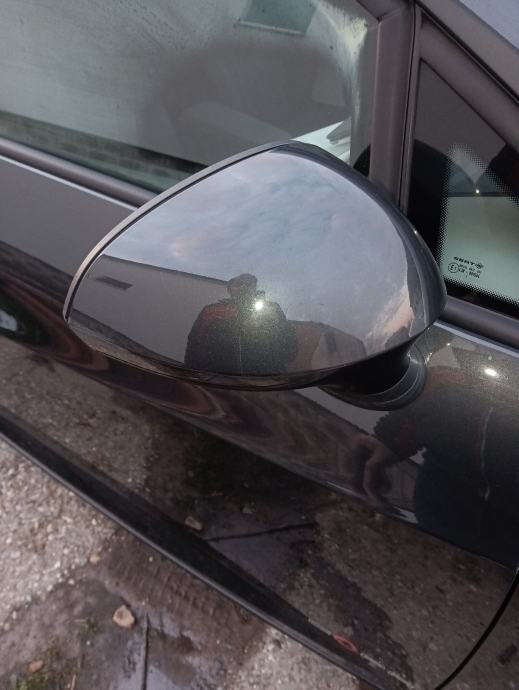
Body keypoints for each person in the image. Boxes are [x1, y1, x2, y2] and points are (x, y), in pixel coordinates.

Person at [185, 274, 297, 376]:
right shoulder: (211, 311)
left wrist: (273, 369)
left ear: (255, 287)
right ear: (230, 290)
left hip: (264, 381)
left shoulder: (272, 309)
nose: (244, 287)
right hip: (219, 379)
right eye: (238, 284)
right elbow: (195, 344)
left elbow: (288, 346)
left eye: (249, 284)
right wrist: (193, 375)